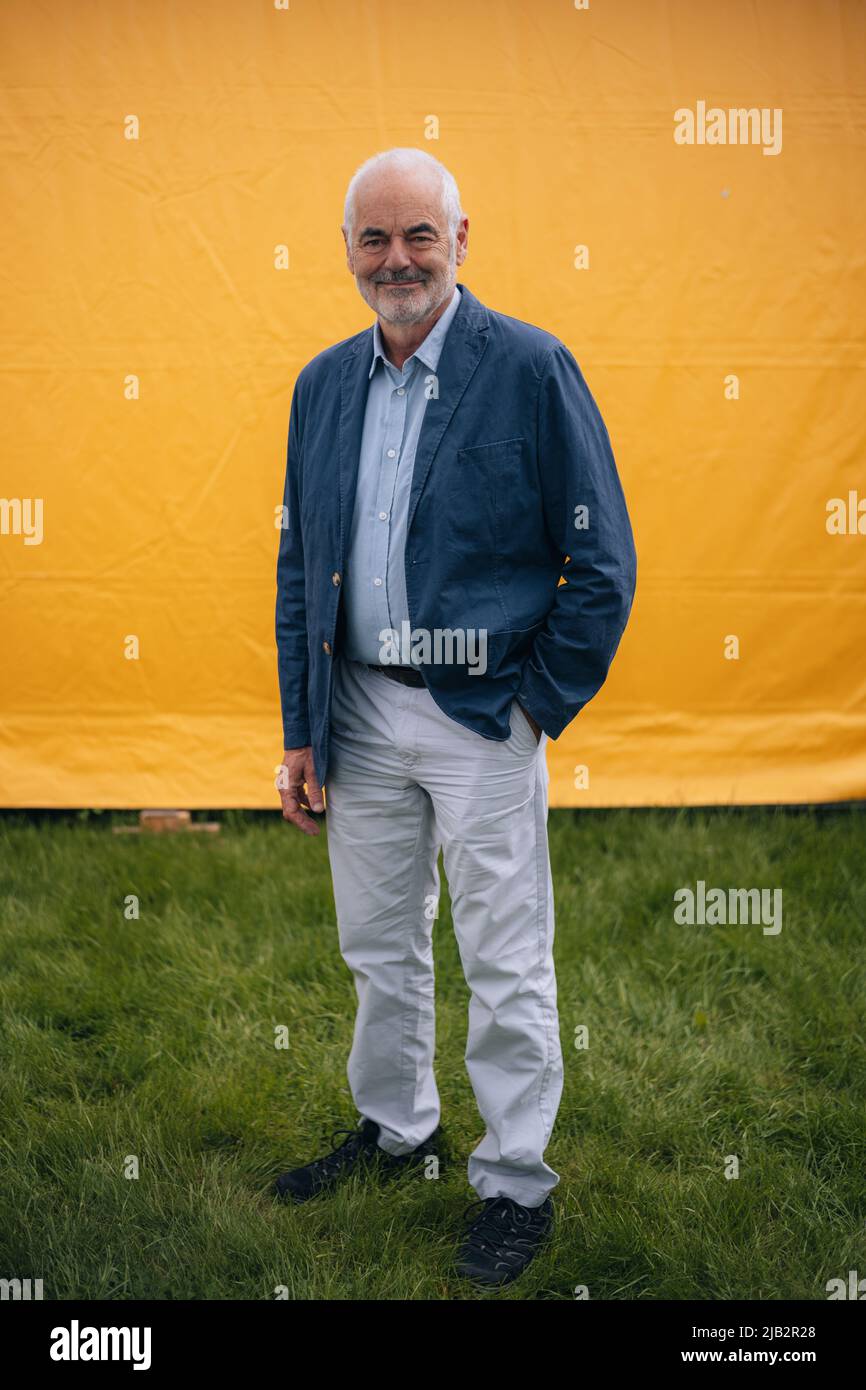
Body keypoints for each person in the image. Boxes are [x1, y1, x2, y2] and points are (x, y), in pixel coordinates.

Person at [273, 147, 636, 1288]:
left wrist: (533, 706)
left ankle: (514, 1180)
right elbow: (301, 566)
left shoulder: (528, 369)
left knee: (503, 957)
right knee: (378, 945)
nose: (396, 260)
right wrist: (302, 728)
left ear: (461, 239)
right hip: (361, 709)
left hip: (482, 717)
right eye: (372, 240)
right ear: (345, 253)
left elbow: (603, 564)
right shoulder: (321, 384)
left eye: (417, 236)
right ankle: (398, 1127)